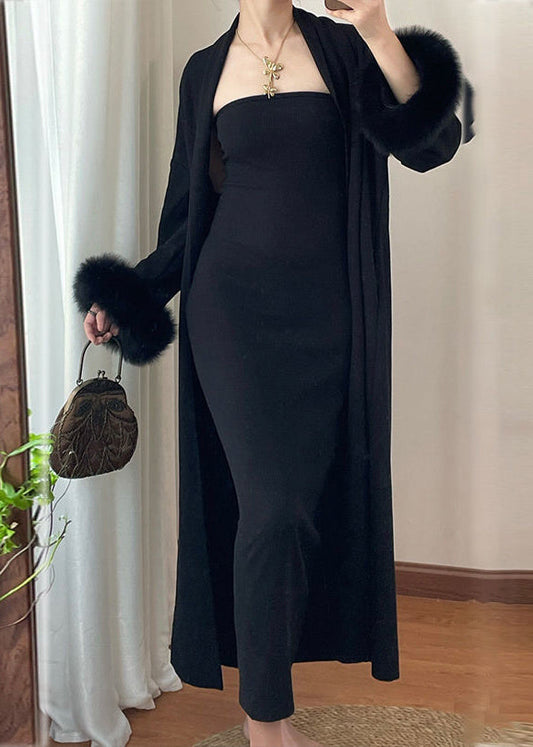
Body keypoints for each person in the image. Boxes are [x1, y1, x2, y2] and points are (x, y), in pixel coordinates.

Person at [81, 1, 469, 745]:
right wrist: (129, 296)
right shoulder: (204, 72)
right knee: (269, 508)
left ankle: (271, 712)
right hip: (230, 314)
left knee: (295, 512)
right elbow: (190, 214)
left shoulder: (344, 51)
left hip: (329, 320)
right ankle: (266, 724)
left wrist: (377, 28)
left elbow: (434, 144)